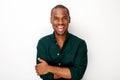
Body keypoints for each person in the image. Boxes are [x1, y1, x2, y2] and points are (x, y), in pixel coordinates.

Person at [35, 4, 88, 80]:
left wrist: (48, 68)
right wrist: (69, 72)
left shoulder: (80, 44)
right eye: (56, 18)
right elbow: (42, 73)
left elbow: (78, 74)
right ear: (51, 20)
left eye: (64, 18)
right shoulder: (43, 43)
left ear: (69, 19)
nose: (60, 22)